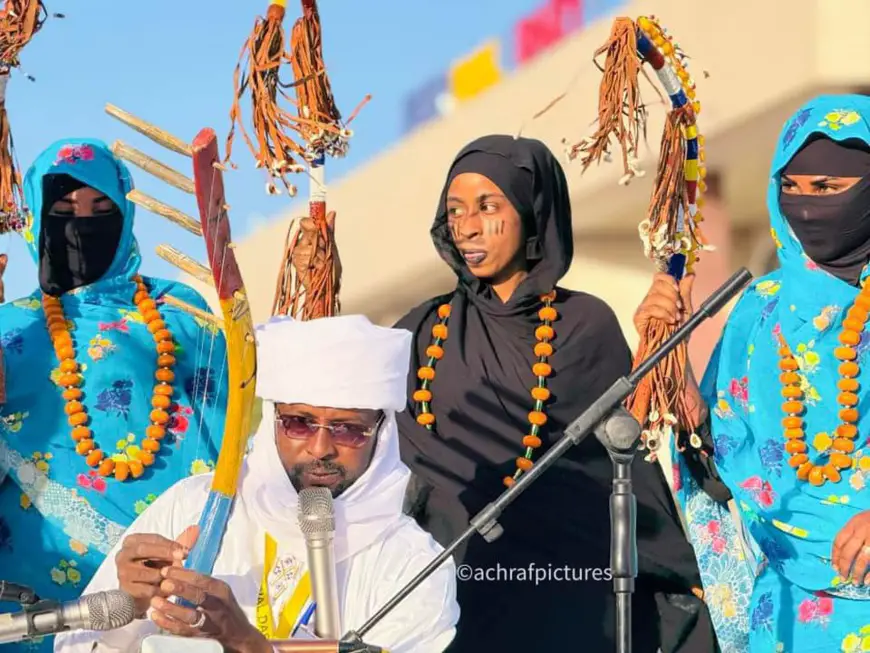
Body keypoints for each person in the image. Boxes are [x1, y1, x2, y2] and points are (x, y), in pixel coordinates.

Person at [394, 135, 717, 652]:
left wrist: (659, 357)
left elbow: (624, 460)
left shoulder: (584, 325)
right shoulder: (421, 331)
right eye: (455, 211)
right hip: (449, 602)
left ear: (531, 211)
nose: (468, 226)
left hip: (574, 601)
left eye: (487, 206)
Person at [55, 314, 459, 653]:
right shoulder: (197, 505)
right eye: (299, 423)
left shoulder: (411, 565)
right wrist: (130, 610)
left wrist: (246, 643)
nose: (320, 448)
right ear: (273, 421)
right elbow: (73, 645)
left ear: (381, 433)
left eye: (348, 429)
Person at [635, 95, 870, 651]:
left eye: (829, 189)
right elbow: (720, 454)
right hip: (782, 613)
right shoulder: (759, 309)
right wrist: (673, 369)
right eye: (794, 187)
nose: (807, 206)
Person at [0, 138, 228, 650]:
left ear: (127, 213)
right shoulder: (8, 327)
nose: (83, 223)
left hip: (167, 574)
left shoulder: (180, 311)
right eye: (63, 210)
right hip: (32, 595)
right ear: (36, 219)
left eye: (103, 209)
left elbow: (226, 430)